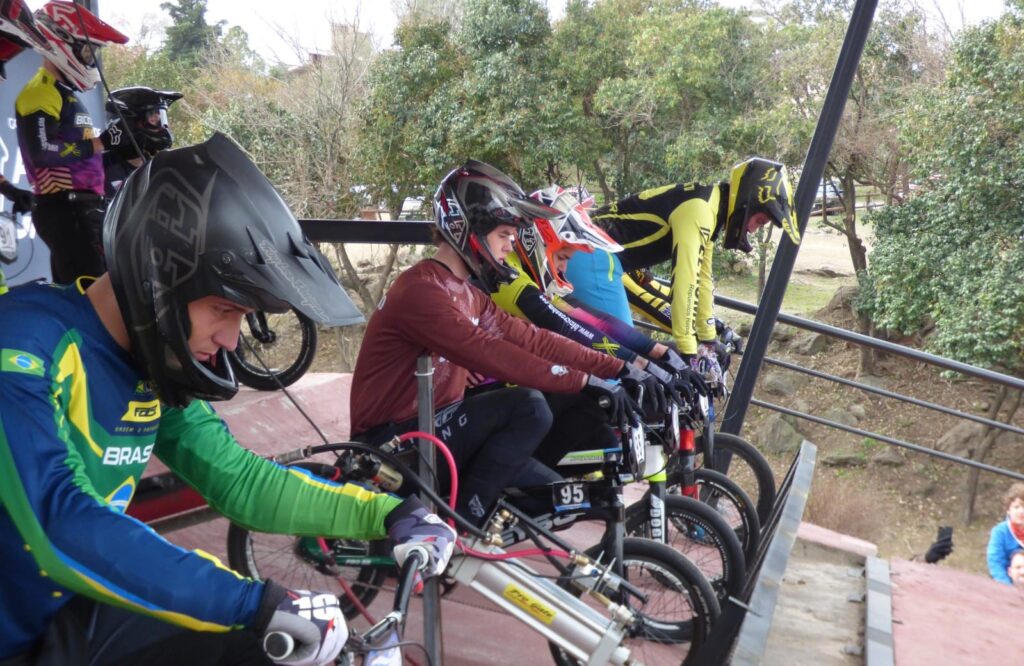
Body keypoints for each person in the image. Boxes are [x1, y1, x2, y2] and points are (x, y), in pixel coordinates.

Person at [0, 133, 456, 666]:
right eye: (223, 309)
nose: (231, 340)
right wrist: (252, 601)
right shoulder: (24, 341)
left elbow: (239, 480)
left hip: (68, 616)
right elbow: (58, 522)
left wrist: (393, 514)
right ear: (158, 280)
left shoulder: (146, 361)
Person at [350, 159, 643, 525]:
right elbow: (491, 353)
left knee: (557, 498)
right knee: (529, 406)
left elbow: (533, 340)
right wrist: (584, 381)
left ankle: (474, 511)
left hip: (437, 429)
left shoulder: (466, 293)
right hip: (391, 443)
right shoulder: (422, 291)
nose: (511, 245)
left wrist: (618, 368)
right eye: (505, 235)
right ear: (469, 229)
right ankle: (459, 524)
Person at [577, 158, 801, 379]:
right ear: (748, 201)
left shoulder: (709, 208)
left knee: (626, 363)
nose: (752, 230)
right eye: (759, 221)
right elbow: (685, 280)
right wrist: (688, 351)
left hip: (600, 257)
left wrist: (708, 338)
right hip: (592, 254)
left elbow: (703, 280)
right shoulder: (700, 210)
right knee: (622, 364)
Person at [14, 1, 139, 285]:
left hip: (80, 208)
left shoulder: (63, 93)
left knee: (86, 292)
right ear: (63, 41)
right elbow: (41, 153)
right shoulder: (41, 92)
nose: (90, 59)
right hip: (66, 209)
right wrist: (98, 143)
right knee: (92, 296)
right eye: (87, 50)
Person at [103, 86, 184, 197]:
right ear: (128, 124)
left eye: (162, 118)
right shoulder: (99, 166)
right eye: (153, 119)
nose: (162, 128)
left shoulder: (160, 169)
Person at [987, 482, 1024, 585]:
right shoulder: (1000, 532)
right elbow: (995, 562)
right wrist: (1007, 588)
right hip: (1005, 586)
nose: (1021, 512)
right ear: (1008, 510)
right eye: (1016, 507)